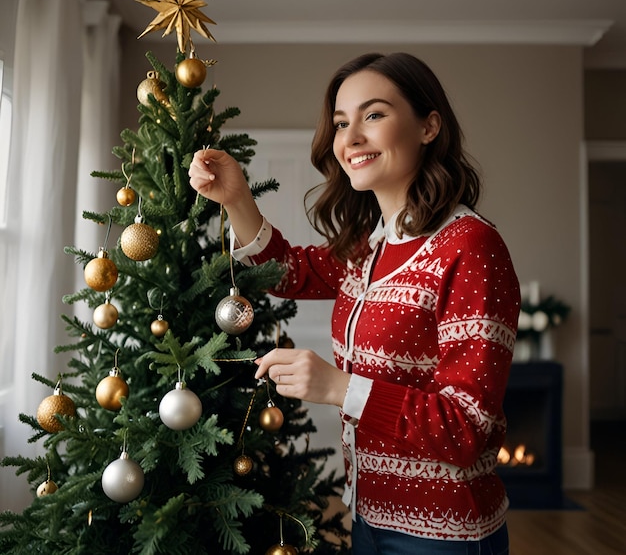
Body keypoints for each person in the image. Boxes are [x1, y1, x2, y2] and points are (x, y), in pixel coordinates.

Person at [189, 52, 520, 555]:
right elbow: (287, 271)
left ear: (429, 126)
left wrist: (339, 387)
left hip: (443, 535)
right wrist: (237, 200)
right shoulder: (371, 247)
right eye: (342, 122)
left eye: (374, 115)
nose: (350, 138)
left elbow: (468, 425)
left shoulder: (470, 247)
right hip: (366, 516)